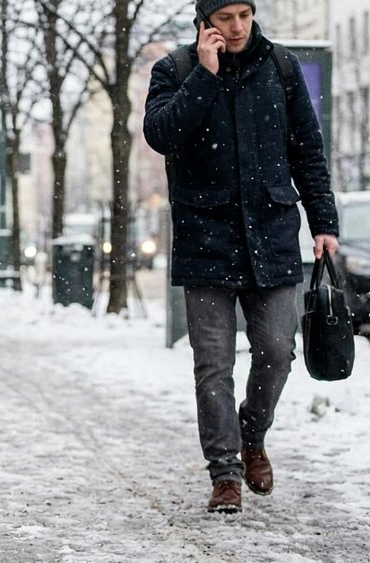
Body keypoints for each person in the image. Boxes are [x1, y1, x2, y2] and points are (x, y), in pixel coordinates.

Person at [143, 0, 340, 513]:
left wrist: (324, 223)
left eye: (244, 17)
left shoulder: (281, 67)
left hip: (272, 235)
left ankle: (252, 437)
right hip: (204, 237)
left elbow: (308, 150)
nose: (236, 28)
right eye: (225, 18)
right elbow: (160, 134)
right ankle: (225, 472)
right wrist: (204, 78)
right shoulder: (176, 69)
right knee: (212, 366)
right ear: (205, 22)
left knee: (277, 351)